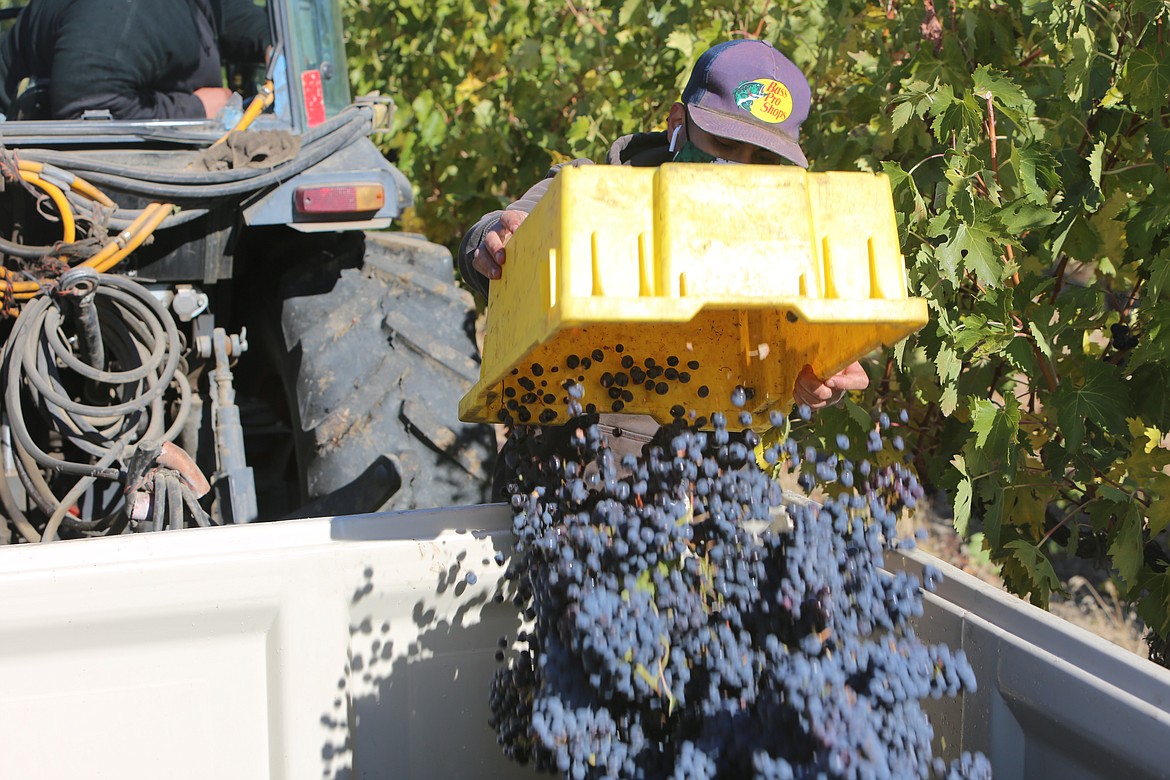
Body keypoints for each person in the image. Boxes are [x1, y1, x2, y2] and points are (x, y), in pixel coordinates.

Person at [459, 39, 870, 495]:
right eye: (726, 144)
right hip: (569, 484)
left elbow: (792, 361)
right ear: (678, 124)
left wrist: (819, 373)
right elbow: (493, 237)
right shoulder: (588, 196)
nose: (739, 168)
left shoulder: (789, 242)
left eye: (764, 159)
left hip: (708, 488)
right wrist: (495, 238)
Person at [0, 0, 270, 121]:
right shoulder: (119, 10)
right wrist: (197, 109)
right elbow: (87, 108)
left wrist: (279, 39)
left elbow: (224, 14)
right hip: (27, 166)